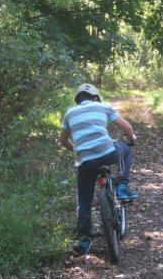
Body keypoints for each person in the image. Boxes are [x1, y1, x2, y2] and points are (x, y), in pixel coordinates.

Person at [59, 83, 138, 254]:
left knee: (84, 202)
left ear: (78, 99)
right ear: (95, 97)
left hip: (85, 162)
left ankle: (84, 240)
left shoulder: (69, 113)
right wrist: (132, 139)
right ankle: (123, 186)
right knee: (126, 152)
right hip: (108, 153)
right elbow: (127, 128)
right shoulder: (103, 107)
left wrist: (79, 150)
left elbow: (63, 141)